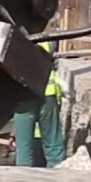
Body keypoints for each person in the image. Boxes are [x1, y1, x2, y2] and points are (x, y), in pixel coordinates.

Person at [12, 40, 65, 168]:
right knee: (53, 145)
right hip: (47, 95)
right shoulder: (45, 41)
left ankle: (22, 180)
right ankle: (57, 177)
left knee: (23, 148)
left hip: (24, 99)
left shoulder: (13, 44)